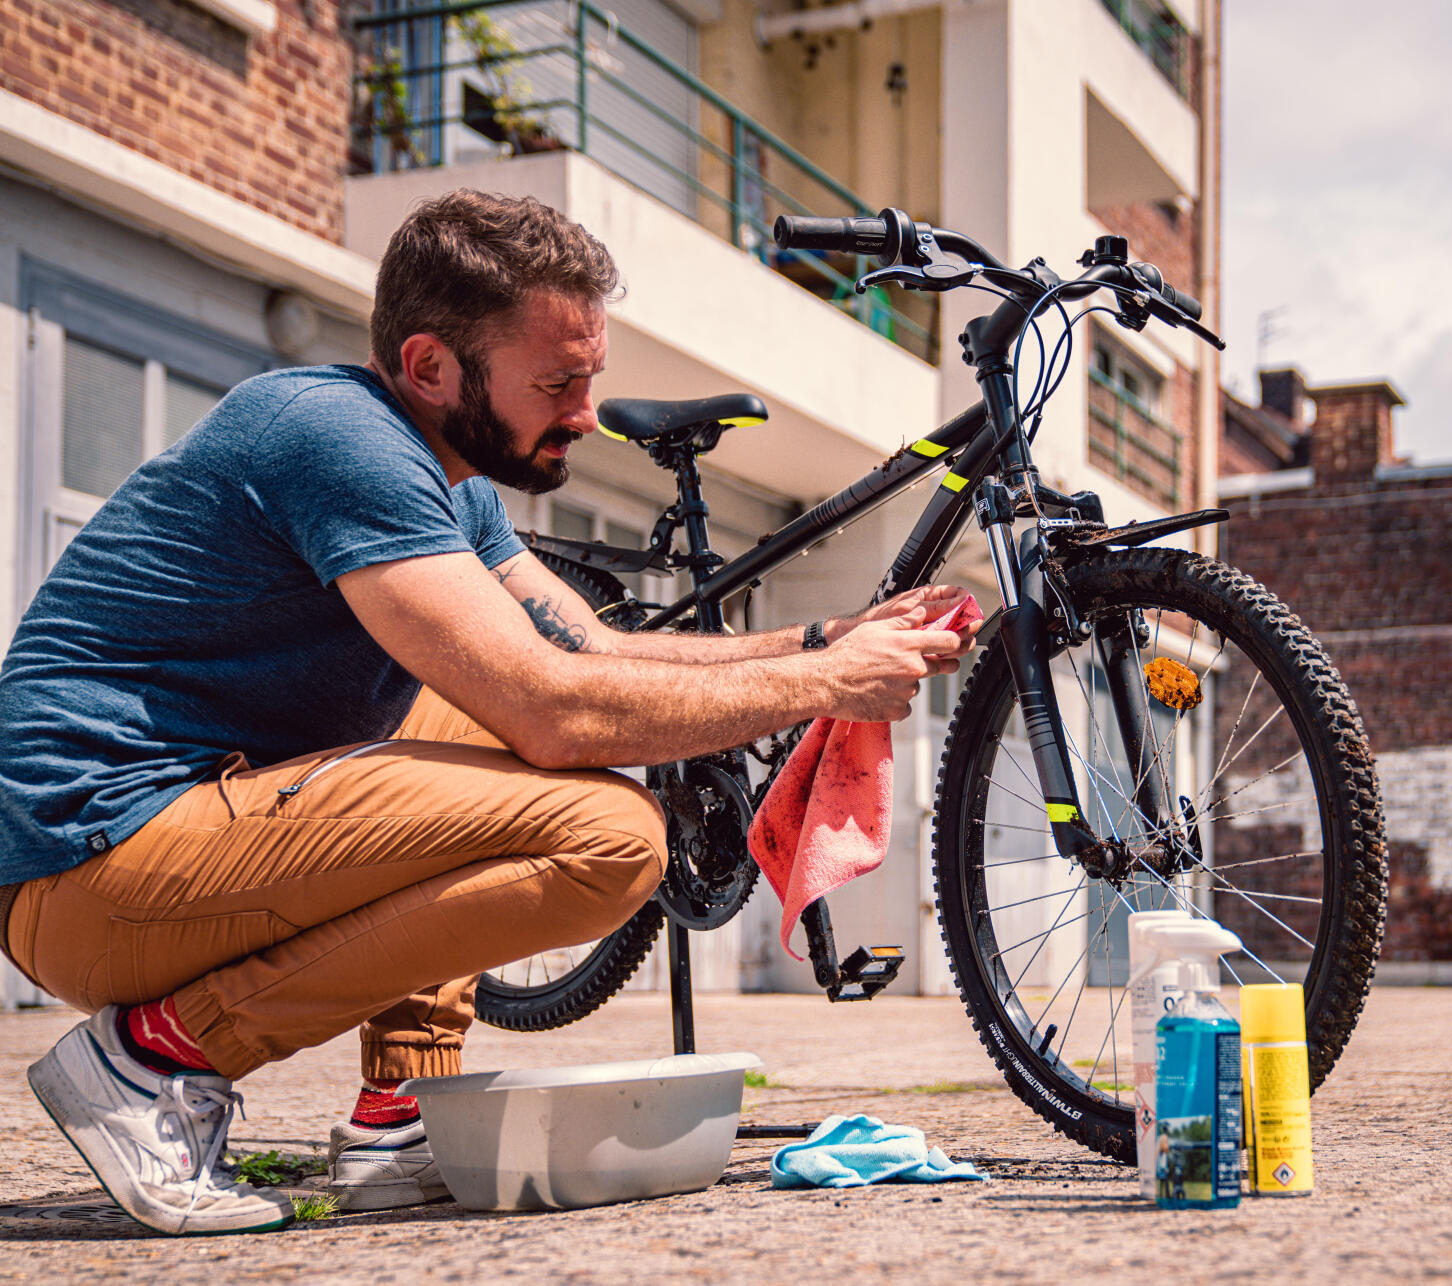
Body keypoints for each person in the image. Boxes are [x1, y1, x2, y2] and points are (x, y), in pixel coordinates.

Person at [0, 190, 976, 1236]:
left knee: (472, 707)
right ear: (430, 367)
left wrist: (823, 640)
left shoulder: (449, 481)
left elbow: (593, 650)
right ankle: (151, 1057)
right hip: (91, 863)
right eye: (557, 383)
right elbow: (557, 709)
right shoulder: (334, 438)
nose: (587, 414)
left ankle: (394, 1119)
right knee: (607, 836)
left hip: (176, 831)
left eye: (590, 378)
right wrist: (827, 685)